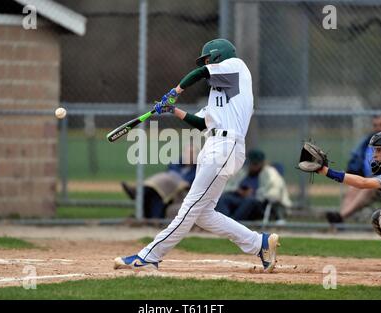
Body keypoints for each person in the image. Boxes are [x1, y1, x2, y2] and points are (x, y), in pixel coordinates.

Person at [114, 38, 280, 272]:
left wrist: (176, 91)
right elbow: (203, 123)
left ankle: (150, 255)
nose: (206, 64)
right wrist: (173, 109)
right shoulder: (220, 94)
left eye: (208, 59)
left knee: (189, 207)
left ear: (217, 56)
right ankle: (258, 243)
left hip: (226, 145)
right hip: (215, 143)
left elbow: (200, 72)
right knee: (203, 214)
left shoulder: (236, 66)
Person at [317, 130, 381, 272]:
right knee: (378, 217)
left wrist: (326, 171)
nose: (375, 154)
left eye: (380, 150)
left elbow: (363, 183)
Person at [326, 116, 381, 224]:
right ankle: (337, 226)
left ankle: (341, 217)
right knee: (353, 188)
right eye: (375, 125)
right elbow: (355, 166)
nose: (378, 128)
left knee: (370, 185)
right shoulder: (366, 143)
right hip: (370, 180)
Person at [121, 145, 197, 219]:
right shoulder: (176, 163)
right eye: (188, 153)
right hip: (167, 190)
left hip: (181, 194)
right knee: (157, 193)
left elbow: (188, 183)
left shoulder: (197, 168)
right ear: (183, 154)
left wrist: (181, 181)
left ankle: (140, 191)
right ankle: (153, 218)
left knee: (162, 184)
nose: (190, 156)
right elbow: (171, 173)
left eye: (192, 153)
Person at [216, 149, 292, 222]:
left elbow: (274, 194)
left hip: (259, 204)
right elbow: (227, 187)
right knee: (223, 199)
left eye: (256, 164)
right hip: (241, 200)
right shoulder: (243, 172)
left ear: (263, 162)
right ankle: (223, 223)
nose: (253, 166)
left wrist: (254, 193)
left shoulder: (270, 173)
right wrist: (238, 190)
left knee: (250, 201)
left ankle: (233, 224)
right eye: (251, 163)